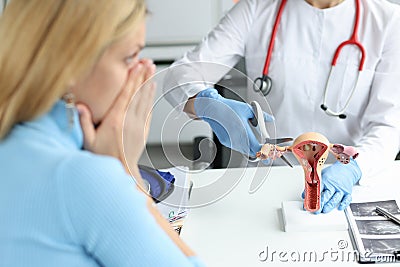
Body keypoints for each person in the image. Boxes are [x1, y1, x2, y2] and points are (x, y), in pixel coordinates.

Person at [0, 1, 204, 266]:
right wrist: (125, 168)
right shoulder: (82, 178)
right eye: (129, 57)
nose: (144, 71)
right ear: (69, 63)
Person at [164, 0, 400, 213]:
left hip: (349, 186)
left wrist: (354, 168)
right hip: (267, 179)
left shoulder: (388, 21)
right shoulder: (256, 8)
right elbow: (180, 75)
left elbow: (389, 124)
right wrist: (208, 103)